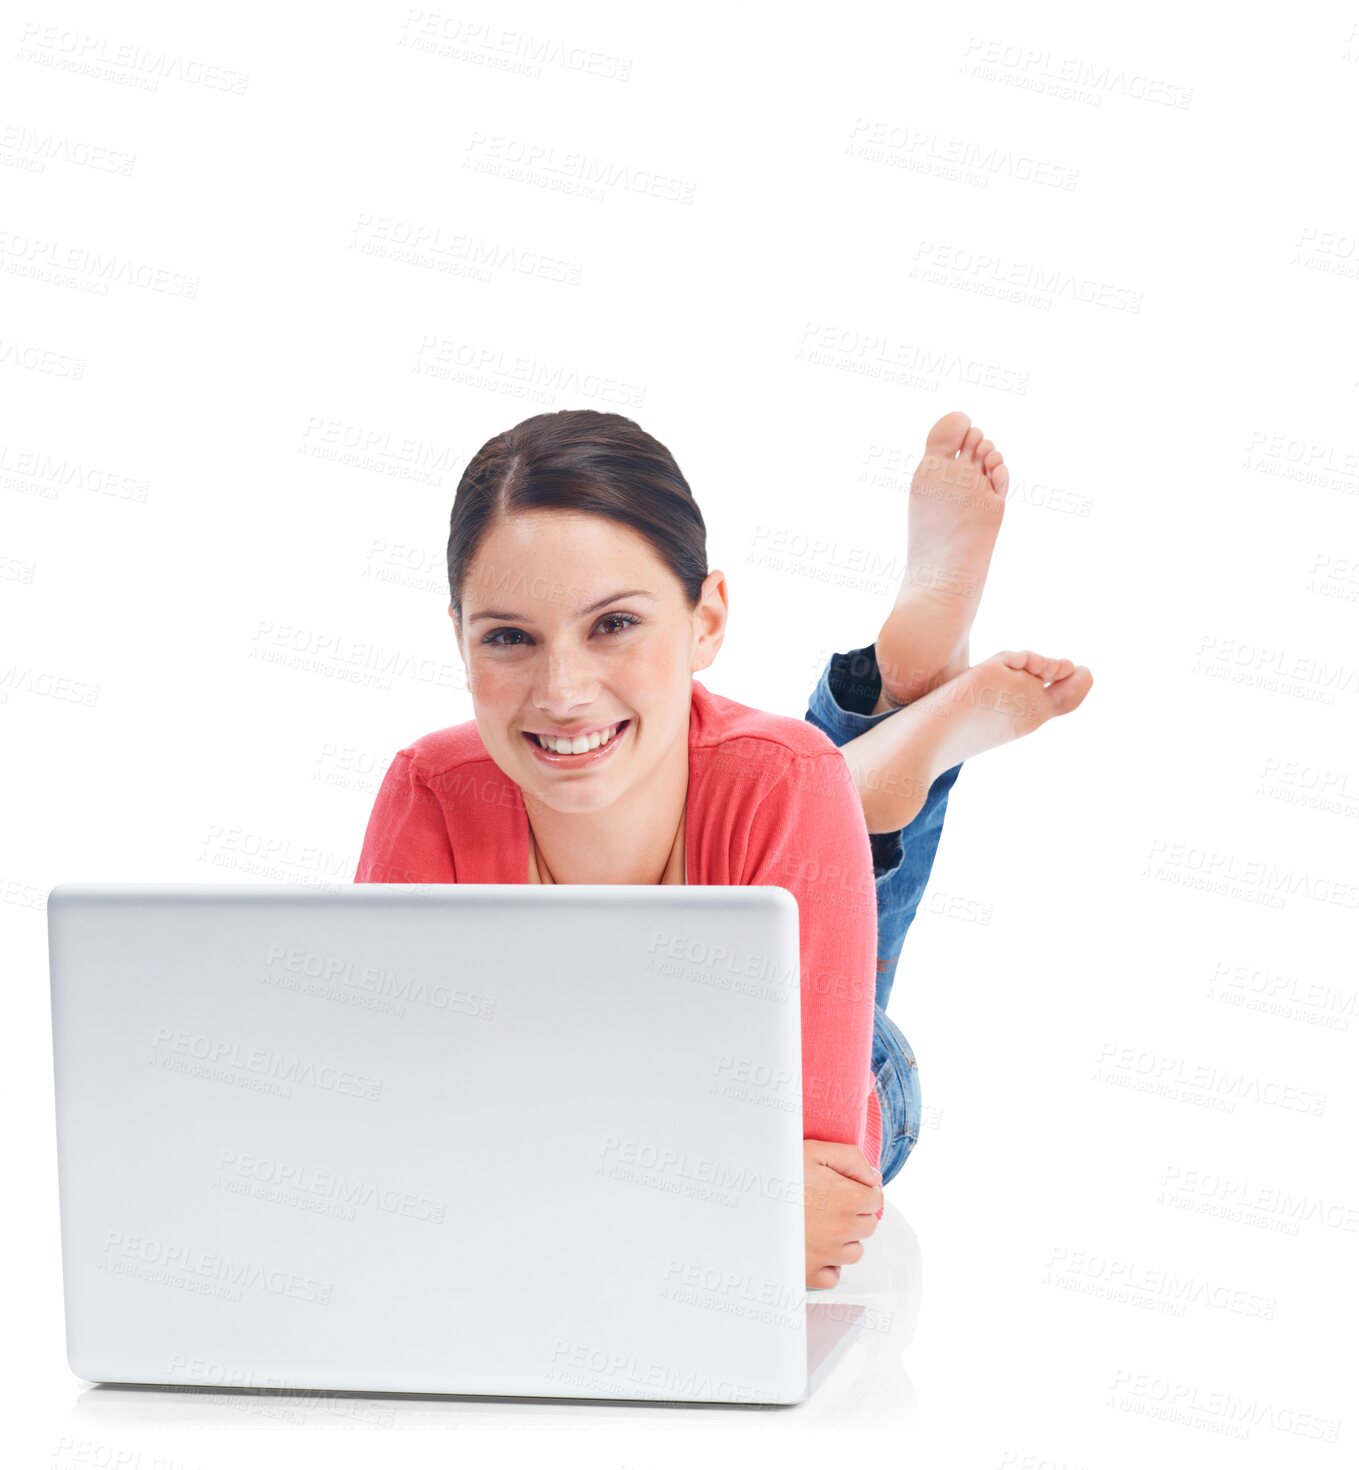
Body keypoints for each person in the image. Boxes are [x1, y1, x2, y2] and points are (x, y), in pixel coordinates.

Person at [354, 407, 1092, 1289]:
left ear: (707, 621)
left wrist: (534, 1175)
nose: (560, 690)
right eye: (508, 637)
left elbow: (815, 1180)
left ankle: (880, 743)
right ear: (459, 639)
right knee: (808, 789)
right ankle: (887, 748)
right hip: (764, 888)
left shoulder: (779, 786)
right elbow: (390, 1146)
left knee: (797, 785)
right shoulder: (430, 791)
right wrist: (739, 1203)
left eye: (613, 624)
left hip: (857, 1076)